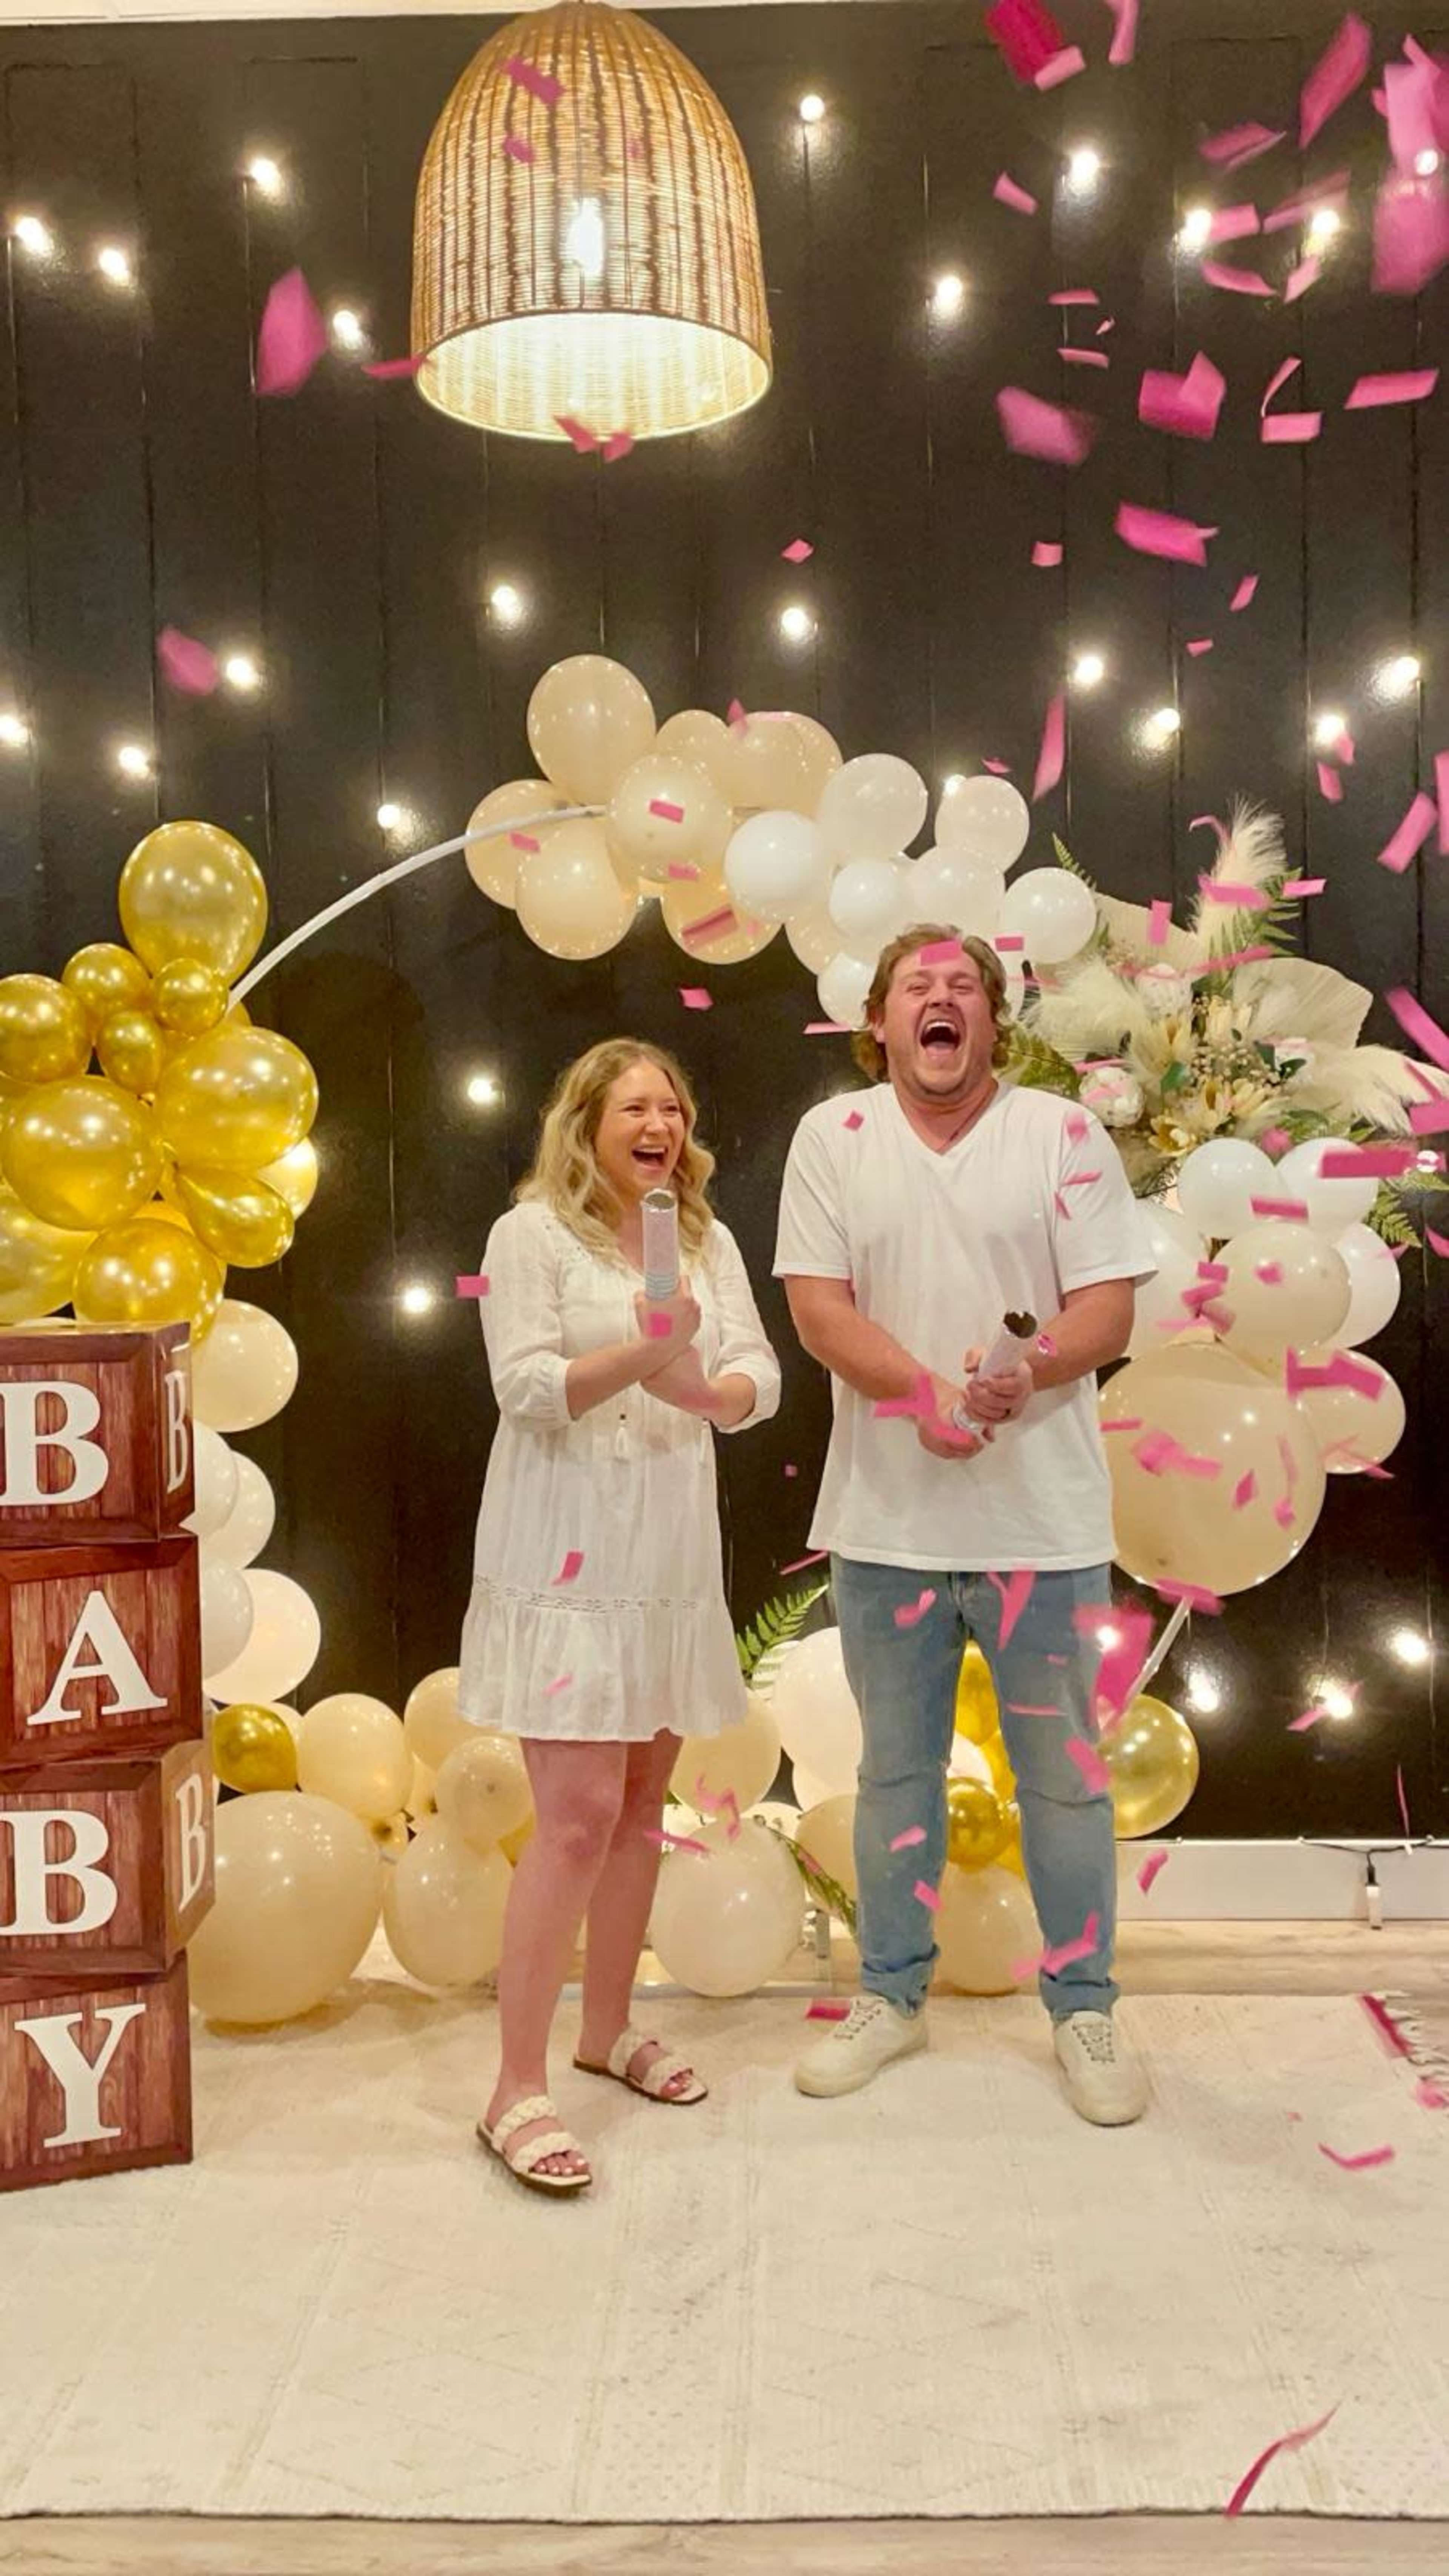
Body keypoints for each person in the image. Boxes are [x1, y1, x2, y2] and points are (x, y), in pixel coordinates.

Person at [774, 924, 1156, 2125]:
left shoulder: (1064, 1134)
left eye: (962, 987)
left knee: (1065, 1784)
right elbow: (819, 1309)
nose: (939, 1001)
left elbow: (1108, 1308)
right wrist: (924, 1396)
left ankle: (1084, 2007)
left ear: (993, 1020)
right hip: (887, 1530)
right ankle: (892, 1994)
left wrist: (1026, 1368)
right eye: (915, 986)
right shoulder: (833, 1138)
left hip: (1044, 1530)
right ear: (879, 1023)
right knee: (894, 1777)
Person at [461, 1037, 780, 2195]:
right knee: (578, 1816)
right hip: (566, 1554)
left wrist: (703, 1388)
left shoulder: (705, 1239)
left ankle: (606, 2030)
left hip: (666, 1558)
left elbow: (759, 1375)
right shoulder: (530, 1235)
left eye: (673, 1109)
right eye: (637, 1107)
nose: (660, 1125)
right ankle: (514, 2084)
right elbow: (524, 1384)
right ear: (586, 1122)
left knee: (644, 1806)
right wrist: (641, 1353)